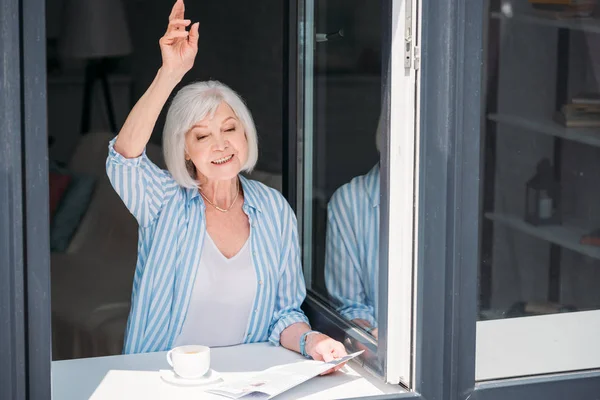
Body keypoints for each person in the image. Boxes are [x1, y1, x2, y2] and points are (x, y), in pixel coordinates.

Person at [106, 0, 346, 368]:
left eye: (230, 129)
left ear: (245, 134)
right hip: (158, 382)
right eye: (202, 137)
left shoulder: (273, 209)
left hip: (243, 384)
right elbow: (124, 158)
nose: (220, 144)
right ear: (185, 151)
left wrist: (312, 341)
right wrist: (170, 73)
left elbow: (284, 313)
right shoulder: (164, 201)